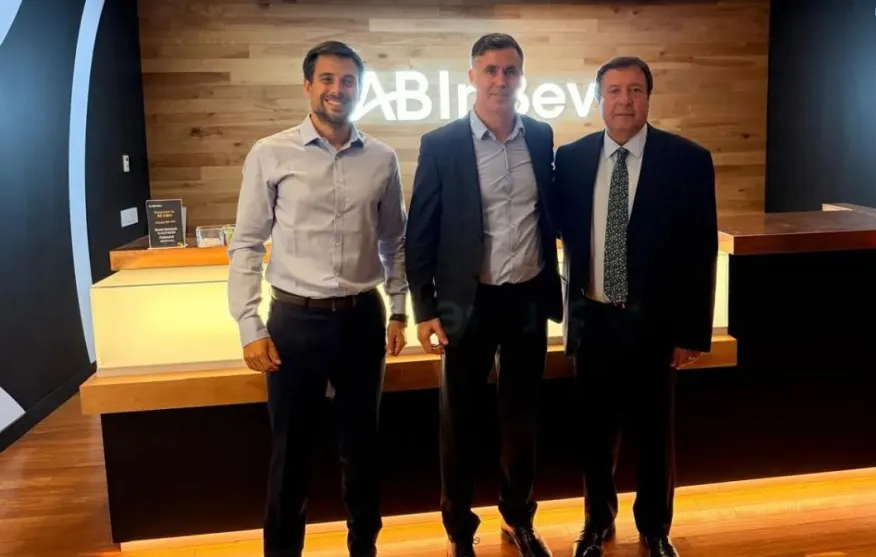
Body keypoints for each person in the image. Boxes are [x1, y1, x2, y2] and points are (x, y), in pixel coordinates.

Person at [227, 40, 409, 557]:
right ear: (308, 86)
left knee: (362, 450)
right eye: (327, 79)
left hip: (362, 319)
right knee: (291, 454)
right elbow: (246, 243)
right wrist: (249, 325)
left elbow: (394, 241)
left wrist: (399, 308)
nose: (338, 89)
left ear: (359, 89)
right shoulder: (271, 153)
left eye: (348, 81)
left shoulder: (382, 158)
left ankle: (363, 549)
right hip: (294, 322)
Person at [552, 56, 718, 557]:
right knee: (594, 433)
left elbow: (700, 249)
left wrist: (691, 332)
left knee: (654, 433)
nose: (624, 100)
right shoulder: (572, 159)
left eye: (635, 90)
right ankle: (596, 523)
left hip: (656, 323)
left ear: (648, 97)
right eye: (614, 90)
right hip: (593, 318)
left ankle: (655, 528)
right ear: (599, 99)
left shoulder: (687, 159)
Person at [405, 33, 563, 557]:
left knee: (522, 417)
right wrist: (424, 308)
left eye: (510, 70)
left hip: (526, 298)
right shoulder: (441, 143)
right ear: (472, 76)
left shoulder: (539, 135)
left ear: (521, 77)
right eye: (491, 70)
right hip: (464, 301)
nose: (501, 80)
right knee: (460, 419)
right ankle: (458, 530)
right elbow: (420, 233)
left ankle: (518, 518)